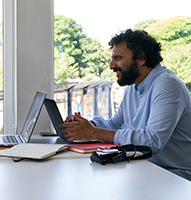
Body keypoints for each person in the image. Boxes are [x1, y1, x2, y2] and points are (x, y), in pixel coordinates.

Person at [60, 29, 191, 180]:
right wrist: (87, 126)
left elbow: (152, 141)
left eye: (118, 58)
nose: (111, 65)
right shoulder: (133, 86)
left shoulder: (167, 85)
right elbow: (116, 123)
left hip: (175, 177)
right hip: (144, 169)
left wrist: (93, 132)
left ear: (141, 58)